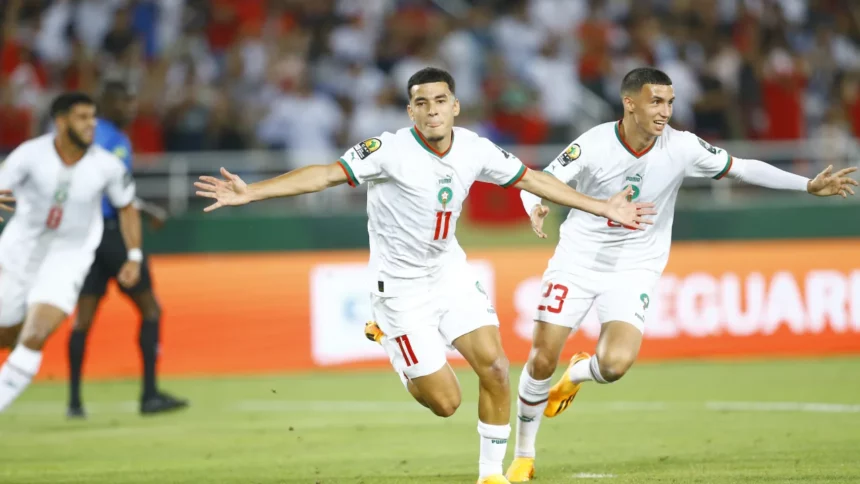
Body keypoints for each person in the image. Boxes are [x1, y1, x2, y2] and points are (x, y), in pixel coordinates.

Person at [195, 67, 655, 484]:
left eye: (440, 101)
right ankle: (391, 341)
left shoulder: (474, 147)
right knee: (446, 402)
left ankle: (490, 476)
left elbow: (532, 179)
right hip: (399, 290)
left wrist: (601, 206)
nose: (432, 111)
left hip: (448, 272)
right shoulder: (388, 150)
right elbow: (324, 176)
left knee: (495, 367)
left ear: (454, 106)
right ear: (410, 110)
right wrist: (250, 192)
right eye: (422, 103)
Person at [505, 67, 858, 482]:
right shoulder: (594, 144)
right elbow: (538, 182)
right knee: (543, 355)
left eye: (670, 102)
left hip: (635, 268)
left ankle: (578, 374)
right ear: (630, 102)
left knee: (615, 365)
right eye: (656, 101)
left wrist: (806, 185)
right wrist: (536, 206)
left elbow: (741, 168)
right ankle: (524, 456)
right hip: (577, 262)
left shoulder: (683, 146)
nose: (665, 111)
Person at [0, 92, 143, 412]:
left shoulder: (106, 165)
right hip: (19, 252)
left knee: (35, 333)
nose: (91, 124)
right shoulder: (30, 155)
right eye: (82, 117)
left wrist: (134, 255)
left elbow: (127, 206)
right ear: (61, 121)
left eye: (93, 116)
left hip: (68, 257)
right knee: (7, 331)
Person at [67, 82, 188, 418]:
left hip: (88, 239)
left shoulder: (93, 138)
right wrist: (146, 211)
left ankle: (74, 403)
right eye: (124, 102)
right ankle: (149, 395)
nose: (131, 108)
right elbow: (110, 190)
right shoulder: (110, 139)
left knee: (84, 319)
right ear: (107, 103)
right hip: (115, 236)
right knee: (151, 310)